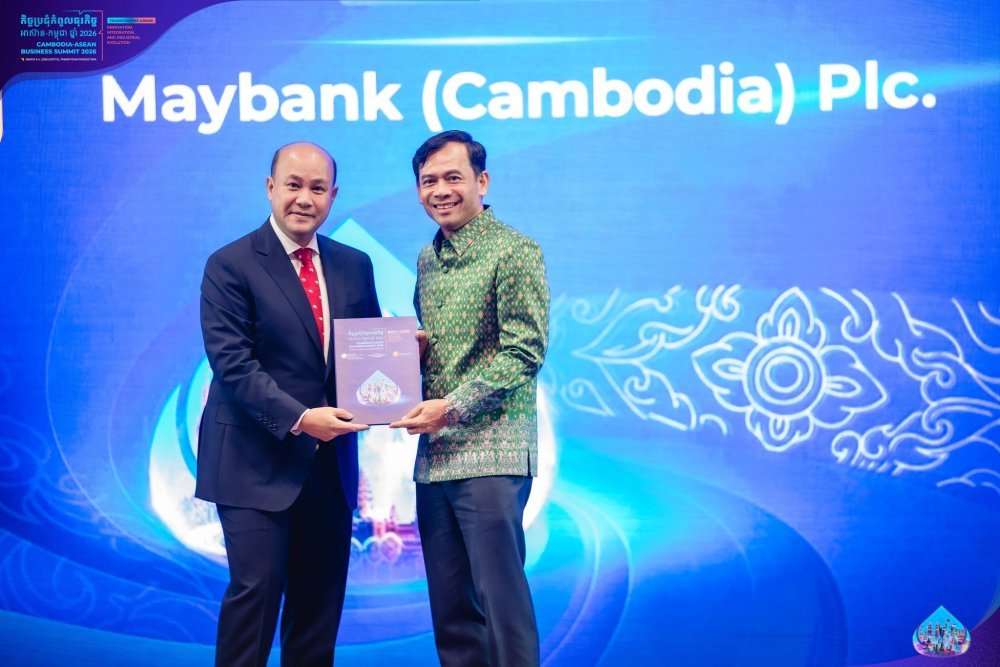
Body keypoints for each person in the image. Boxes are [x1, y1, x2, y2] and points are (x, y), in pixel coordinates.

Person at [196, 141, 381, 666]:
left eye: (317, 188)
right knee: (254, 603)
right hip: (253, 463)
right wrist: (300, 418)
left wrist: (401, 359)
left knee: (317, 612)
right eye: (294, 185)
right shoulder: (230, 264)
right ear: (270, 187)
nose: (305, 198)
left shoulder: (354, 265)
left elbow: (365, 353)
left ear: (333, 195)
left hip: (330, 466)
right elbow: (233, 366)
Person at [390, 130, 550, 666]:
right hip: (435, 458)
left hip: (492, 455)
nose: (441, 190)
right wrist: (408, 358)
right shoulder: (426, 260)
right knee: (453, 614)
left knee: (501, 608)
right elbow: (443, 355)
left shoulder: (516, 251)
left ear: (482, 181)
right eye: (428, 180)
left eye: (453, 177)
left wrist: (451, 407)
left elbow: (524, 351)